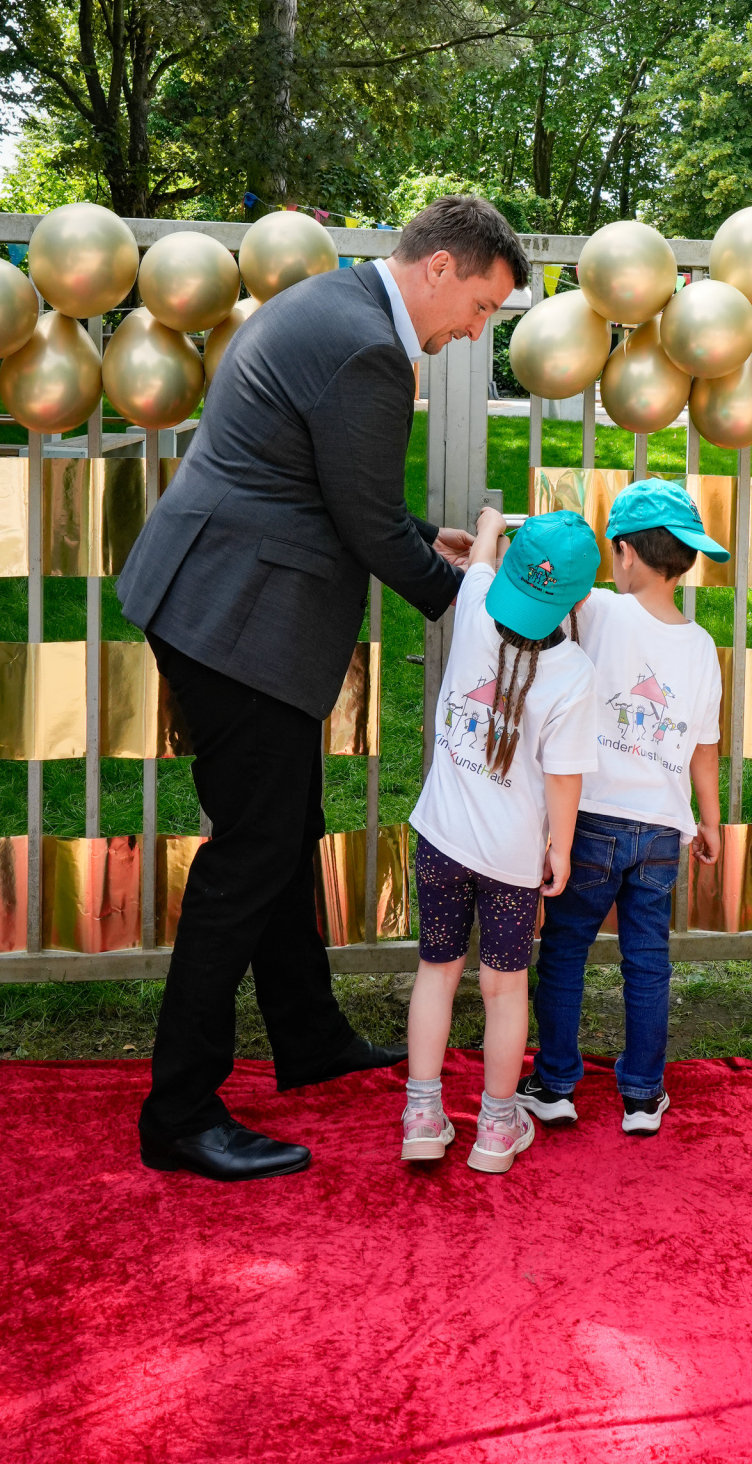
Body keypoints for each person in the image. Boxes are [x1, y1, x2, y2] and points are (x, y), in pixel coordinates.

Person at [118, 195, 528, 1182]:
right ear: (438, 269)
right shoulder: (367, 352)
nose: (476, 332)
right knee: (247, 861)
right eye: (478, 306)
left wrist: (432, 545)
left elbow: (340, 493)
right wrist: (476, 603)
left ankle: (306, 1037)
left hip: (217, 600)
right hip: (235, 623)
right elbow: (366, 527)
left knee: (286, 830)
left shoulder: (336, 306)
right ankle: (178, 1111)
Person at [518, 479, 727, 1136]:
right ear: (686, 558)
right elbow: (704, 747)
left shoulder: (601, 612)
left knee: (565, 949)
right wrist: (711, 820)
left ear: (625, 553)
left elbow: (553, 595)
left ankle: (554, 1084)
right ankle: (641, 1095)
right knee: (647, 958)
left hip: (594, 819)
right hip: (663, 830)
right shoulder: (700, 648)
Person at [402, 508, 601, 1174]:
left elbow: (482, 555)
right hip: (511, 861)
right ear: (576, 599)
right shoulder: (573, 673)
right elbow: (564, 779)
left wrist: (490, 524)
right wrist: (562, 848)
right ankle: (494, 1127)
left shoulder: (477, 605)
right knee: (504, 988)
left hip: (439, 840)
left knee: (437, 972)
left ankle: (423, 1117)